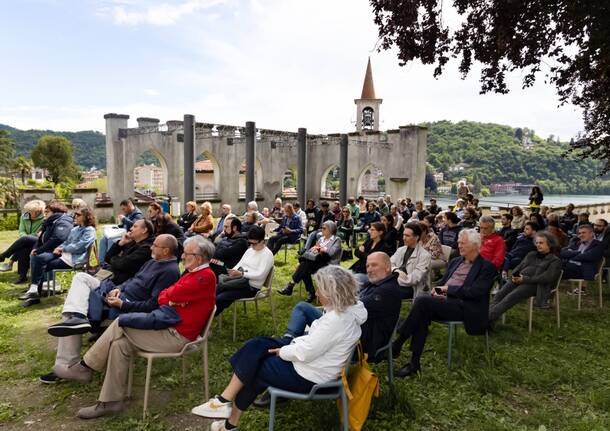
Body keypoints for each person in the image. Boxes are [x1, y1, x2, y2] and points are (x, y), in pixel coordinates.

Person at [55, 235, 216, 419]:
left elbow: (164, 297)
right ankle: (111, 402)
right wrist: (172, 298)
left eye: (187, 254)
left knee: (121, 323)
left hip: (177, 336)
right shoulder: (193, 274)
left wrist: (170, 298)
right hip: (170, 326)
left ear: (199, 257)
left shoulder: (203, 277)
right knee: (119, 345)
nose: (183, 257)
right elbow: (165, 297)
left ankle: (85, 367)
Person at [192, 265, 366, 431]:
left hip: (310, 376)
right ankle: (224, 407)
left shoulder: (337, 319)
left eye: (320, 288)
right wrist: (291, 345)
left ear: (333, 292)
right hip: (311, 364)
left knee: (256, 366)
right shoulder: (346, 311)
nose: (317, 292)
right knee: (258, 345)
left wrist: (283, 351)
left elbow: (306, 352)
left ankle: (226, 414)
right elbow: (316, 341)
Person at [39, 233, 179, 384]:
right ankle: (78, 317)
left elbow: (153, 305)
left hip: (124, 305)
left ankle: (65, 365)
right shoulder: (153, 261)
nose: (152, 247)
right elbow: (132, 280)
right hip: (115, 291)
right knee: (81, 278)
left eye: (155, 245)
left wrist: (122, 304)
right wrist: (119, 288)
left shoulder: (169, 272)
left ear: (166, 251)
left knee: (69, 315)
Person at [391, 229, 497, 377]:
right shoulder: (455, 261)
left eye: (463, 243)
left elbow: (475, 292)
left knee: (422, 302)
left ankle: (398, 342)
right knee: (423, 310)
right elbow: (442, 284)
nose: (459, 245)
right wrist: (438, 291)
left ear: (475, 245)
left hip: (465, 307)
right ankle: (414, 363)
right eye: (459, 242)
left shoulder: (487, 267)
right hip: (445, 302)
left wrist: (447, 290)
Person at [21, 207, 95, 307]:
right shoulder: (75, 229)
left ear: (86, 217)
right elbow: (66, 242)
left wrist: (63, 249)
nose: (75, 216)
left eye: (78, 215)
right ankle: (34, 290)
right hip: (62, 255)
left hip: (73, 259)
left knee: (39, 265)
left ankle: (34, 294)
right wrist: (59, 247)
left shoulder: (89, 230)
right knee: (37, 257)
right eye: (75, 214)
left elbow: (81, 246)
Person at [489, 231, 562, 322]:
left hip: (537, 286)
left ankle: (488, 318)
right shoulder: (531, 254)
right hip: (520, 279)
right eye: (537, 242)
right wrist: (515, 275)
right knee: (500, 294)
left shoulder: (554, 261)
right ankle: (489, 315)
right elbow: (519, 267)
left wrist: (525, 279)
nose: (538, 245)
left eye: (541, 243)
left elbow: (546, 278)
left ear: (550, 244)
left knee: (511, 297)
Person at [214, 226, 274, 315]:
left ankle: (207, 320)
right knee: (215, 290)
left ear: (262, 241)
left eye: (254, 243)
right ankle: (203, 316)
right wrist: (232, 271)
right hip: (239, 281)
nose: (251, 246)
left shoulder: (267, 254)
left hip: (251, 287)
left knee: (221, 297)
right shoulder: (250, 250)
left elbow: (260, 275)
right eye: (250, 243)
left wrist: (242, 274)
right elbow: (240, 264)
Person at [279, 221, 342, 302]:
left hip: (328, 264)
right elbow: (314, 250)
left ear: (330, 229)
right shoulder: (321, 238)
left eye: (324, 228)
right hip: (316, 262)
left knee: (304, 266)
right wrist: (315, 249)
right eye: (322, 228)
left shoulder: (336, 240)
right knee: (305, 267)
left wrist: (319, 249)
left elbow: (330, 253)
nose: (321, 229)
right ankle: (309, 292)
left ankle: (293, 286)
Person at [0, 199, 46, 283]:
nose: (29, 213)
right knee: (23, 248)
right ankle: (22, 276)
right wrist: (24, 238)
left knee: (25, 241)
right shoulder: (23, 217)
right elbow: (21, 230)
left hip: (38, 242)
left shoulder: (44, 219)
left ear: (38, 212)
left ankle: (5, 257)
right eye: (28, 211)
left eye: (31, 211)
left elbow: (38, 234)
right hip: (25, 241)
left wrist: (25, 238)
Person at [100, 219, 156, 285]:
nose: (130, 229)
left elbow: (123, 264)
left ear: (144, 230)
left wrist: (114, 259)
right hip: (112, 276)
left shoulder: (147, 248)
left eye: (135, 226)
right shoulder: (132, 242)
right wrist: (120, 243)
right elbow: (107, 258)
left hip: (121, 284)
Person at [390, 223, 432, 299]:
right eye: (403, 235)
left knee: (385, 292)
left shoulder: (425, 256)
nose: (403, 238)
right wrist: (397, 271)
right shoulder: (401, 250)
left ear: (416, 237)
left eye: (407, 236)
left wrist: (393, 278)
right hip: (397, 281)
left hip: (412, 288)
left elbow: (414, 279)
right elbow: (389, 264)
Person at [561, 224, 604, 291]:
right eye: (579, 233)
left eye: (583, 233)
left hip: (582, 270)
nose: (580, 235)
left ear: (591, 234)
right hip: (569, 267)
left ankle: (548, 293)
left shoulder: (598, 244)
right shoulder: (577, 243)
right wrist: (578, 253)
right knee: (553, 269)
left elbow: (589, 257)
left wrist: (571, 255)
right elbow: (562, 252)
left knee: (554, 269)